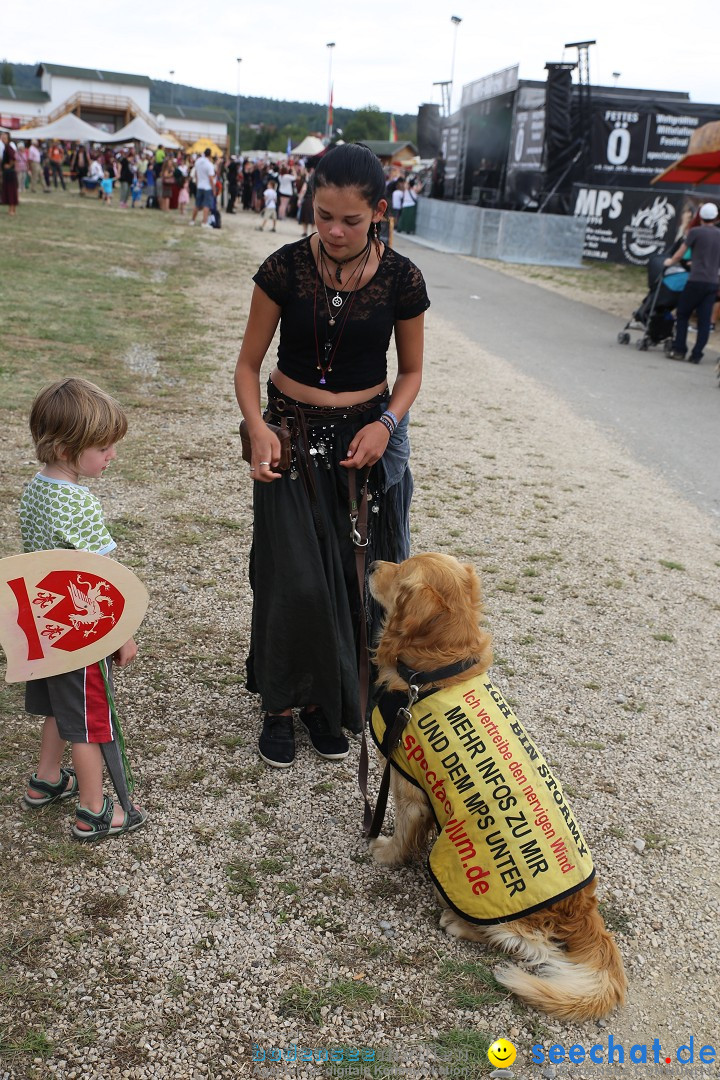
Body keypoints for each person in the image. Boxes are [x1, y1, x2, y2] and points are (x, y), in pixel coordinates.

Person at [234, 142, 430, 769]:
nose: (335, 231)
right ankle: (282, 705)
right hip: (289, 435)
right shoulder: (284, 268)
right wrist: (257, 426)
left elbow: (412, 372)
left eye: (350, 219)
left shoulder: (402, 278)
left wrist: (386, 423)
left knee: (352, 575)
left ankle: (326, 699)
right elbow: (246, 364)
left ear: (378, 210)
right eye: (323, 217)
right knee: (291, 572)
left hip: (361, 441)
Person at [19, 378, 147, 841]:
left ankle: (47, 780)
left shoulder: (34, 489)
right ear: (68, 448)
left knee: (59, 705)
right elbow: (103, 583)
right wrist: (122, 634)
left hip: (42, 622)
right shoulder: (80, 504)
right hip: (79, 631)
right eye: (104, 446)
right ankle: (95, 811)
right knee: (90, 723)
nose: (112, 454)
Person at [665, 202, 720, 363]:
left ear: (700, 216)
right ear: (716, 217)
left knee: (682, 314)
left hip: (696, 280)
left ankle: (679, 349)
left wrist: (670, 262)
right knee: (704, 320)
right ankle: (697, 354)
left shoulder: (695, 232)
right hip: (712, 282)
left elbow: (680, 253)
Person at [189, 148, 216, 226]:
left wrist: (197, 184)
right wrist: (214, 188)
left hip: (200, 185)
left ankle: (192, 220)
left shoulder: (198, 161)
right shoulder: (209, 164)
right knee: (206, 205)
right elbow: (211, 178)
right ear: (210, 154)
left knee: (197, 204)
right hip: (207, 187)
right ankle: (204, 222)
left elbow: (196, 174)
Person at [1, 131, 19, 216]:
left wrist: (9, 165)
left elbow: (14, 158)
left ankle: (12, 210)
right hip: (7, 173)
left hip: (10, 173)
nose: (3, 138)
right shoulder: (5, 147)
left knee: (11, 191)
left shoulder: (9, 147)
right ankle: (11, 210)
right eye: (2, 137)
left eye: (4, 137)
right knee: (9, 191)